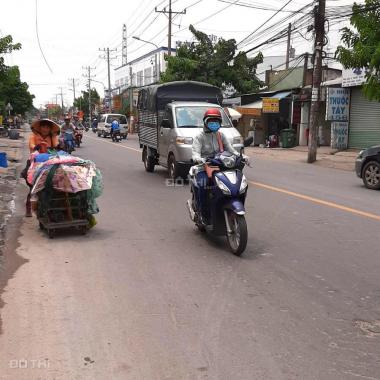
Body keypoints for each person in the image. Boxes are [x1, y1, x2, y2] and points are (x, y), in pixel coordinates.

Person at [192, 108, 247, 221]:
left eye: (216, 121)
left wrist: (241, 156)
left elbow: (231, 150)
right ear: (205, 122)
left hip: (220, 167)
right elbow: (195, 153)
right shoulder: (199, 137)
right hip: (204, 167)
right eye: (211, 121)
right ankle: (203, 214)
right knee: (203, 185)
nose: (214, 123)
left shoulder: (221, 136)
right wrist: (198, 159)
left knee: (237, 184)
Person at [24, 119, 60, 217]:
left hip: (49, 162)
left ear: (50, 129)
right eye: (43, 126)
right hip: (35, 163)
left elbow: (57, 145)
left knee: (55, 181)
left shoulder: (52, 137)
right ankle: (28, 208)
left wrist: (59, 146)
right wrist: (36, 147)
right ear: (40, 128)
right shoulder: (34, 136)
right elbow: (31, 145)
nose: (45, 129)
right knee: (33, 186)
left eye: (47, 127)